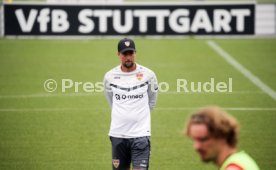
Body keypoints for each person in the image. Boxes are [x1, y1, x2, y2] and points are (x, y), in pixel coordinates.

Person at [103, 38, 158, 170]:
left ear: (135, 53)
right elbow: (111, 101)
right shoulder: (109, 76)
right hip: (118, 134)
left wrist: (140, 117)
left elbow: (152, 100)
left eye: (131, 53)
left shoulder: (148, 75)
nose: (128, 57)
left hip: (141, 135)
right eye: (124, 54)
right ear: (118, 55)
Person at [185, 106, 260, 170]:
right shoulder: (241, 159)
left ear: (222, 135)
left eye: (203, 139)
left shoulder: (234, 168)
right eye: (194, 140)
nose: (196, 146)